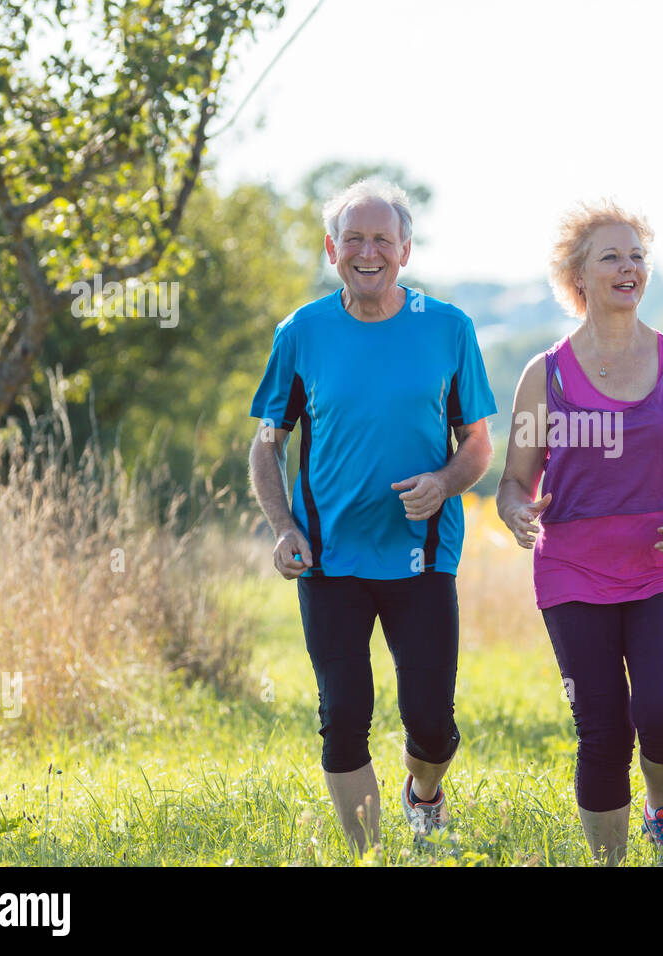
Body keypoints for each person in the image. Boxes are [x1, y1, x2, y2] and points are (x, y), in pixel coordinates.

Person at [247, 179, 497, 853]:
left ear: (405, 250)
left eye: (381, 239)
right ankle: (371, 855)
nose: (367, 252)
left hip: (421, 554)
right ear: (332, 249)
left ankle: (425, 791)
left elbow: (477, 442)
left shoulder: (448, 328)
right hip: (328, 558)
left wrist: (444, 482)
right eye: (353, 239)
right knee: (344, 716)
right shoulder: (301, 333)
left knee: (432, 724)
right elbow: (266, 444)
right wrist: (284, 527)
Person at [496, 200, 663, 865]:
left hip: (658, 564)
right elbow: (514, 481)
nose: (629, 268)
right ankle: (610, 862)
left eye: (637, 257)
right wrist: (515, 511)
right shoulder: (545, 375)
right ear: (578, 276)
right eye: (612, 257)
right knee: (601, 728)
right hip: (573, 569)